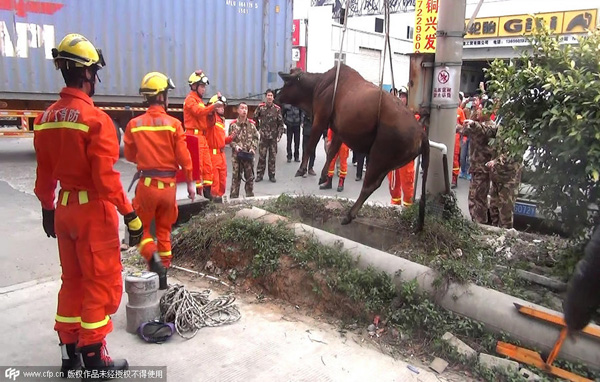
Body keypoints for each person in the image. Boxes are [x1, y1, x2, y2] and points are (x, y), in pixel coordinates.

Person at [33, 33, 142, 374]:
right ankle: (95, 359)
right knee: (100, 283)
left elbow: (44, 174)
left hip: (63, 209)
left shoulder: (46, 118)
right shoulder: (96, 120)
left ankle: (70, 354)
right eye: (94, 72)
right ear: (86, 74)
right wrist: (131, 215)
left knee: (73, 281)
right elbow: (107, 180)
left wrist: (47, 209)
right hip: (92, 212)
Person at [124, 71, 195, 290]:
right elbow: (185, 158)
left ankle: (151, 257)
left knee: (142, 231)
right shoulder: (174, 124)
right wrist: (191, 183)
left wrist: (146, 158)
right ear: (162, 96)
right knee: (164, 231)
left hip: (147, 186)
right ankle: (163, 271)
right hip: (169, 188)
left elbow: (128, 155)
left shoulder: (134, 124)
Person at [184, 70, 223, 199]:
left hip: (201, 137)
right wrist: (211, 108)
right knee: (197, 168)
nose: (204, 89)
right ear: (194, 86)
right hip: (193, 137)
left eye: (204, 86)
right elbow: (198, 112)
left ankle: (207, 194)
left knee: (207, 167)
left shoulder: (199, 101)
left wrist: (211, 114)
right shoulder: (190, 100)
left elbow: (207, 123)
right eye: (202, 86)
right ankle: (196, 196)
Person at [462, 100, 497, 224]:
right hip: (474, 167)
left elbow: (484, 130)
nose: (478, 110)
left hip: (483, 169)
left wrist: (473, 123)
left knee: (479, 199)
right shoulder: (476, 123)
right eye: (478, 108)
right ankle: (475, 222)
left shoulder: (491, 126)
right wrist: (472, 118)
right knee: (472, 198)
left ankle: (481, 224)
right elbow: (464, 130)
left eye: (481, 108)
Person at [486, 121, 522, 229]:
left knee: (506, 211)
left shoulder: (517, 132)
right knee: (493, 207)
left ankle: (505, 236)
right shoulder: (501, 127)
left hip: (509, 178)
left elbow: (512, 154)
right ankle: (495, 233)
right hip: (497, 175)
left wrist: (495, 161)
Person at [388, 86, 415, 206]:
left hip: (406, 155)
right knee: (393, 183)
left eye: (404, 96)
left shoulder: (413, 114)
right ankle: (395, 207)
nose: (401, 98)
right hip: (393, 154)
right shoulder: (393, 112)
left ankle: (407, 211)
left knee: (407, 185)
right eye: (401, 96)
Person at [206, 94, 235, 202]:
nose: (222, 108)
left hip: (221, 155)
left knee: (222, 181)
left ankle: (219, 201)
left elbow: (221, 140)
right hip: (213, 156)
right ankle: (214, 204)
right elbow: (208, 113)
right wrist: (214, 103)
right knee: (215, 182)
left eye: (223, 106)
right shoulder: (211, 119)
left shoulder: (220, 121)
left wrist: (230, 138)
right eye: (219, 106)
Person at [230, 103, 260, 198]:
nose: (244, 111)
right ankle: (233, 199)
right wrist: (236, 147)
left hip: (248, 155)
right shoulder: (233, 125)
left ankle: (250, 198)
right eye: (242, 108)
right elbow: (230, 140)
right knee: (236, 178)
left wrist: (253, 147)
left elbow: (256, 137)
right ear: (238, 111)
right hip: (237, 156)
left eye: (246, 109)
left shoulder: (251, 125)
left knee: (249, 178)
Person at [254, 89, 284, 182]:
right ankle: (259, 175)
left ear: (273, 97)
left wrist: (279, 135)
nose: (269, 97)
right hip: (263, 137)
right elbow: (254, 118)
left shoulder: (277, 109)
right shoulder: (261, 107)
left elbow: (281, 124)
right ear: (266, 97)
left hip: (273, 138)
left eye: (271, 95)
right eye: (268, 95)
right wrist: (258, 129)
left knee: (272, 157)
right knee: (262, 157)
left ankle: (272, 175)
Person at [453, 93, 467, 188]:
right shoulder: (446, 110)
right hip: (445, 137)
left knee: (454, 160)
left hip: (456, 139)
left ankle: (454, 179)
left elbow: (465, 125)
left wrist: (465, 138)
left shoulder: (460, 111)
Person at [301, 112, 317, 177]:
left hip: (314, 133)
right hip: (306, 132)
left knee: (313, 152)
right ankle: (304, 169)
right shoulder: (305, 109)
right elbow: (302, 115)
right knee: (305, 151)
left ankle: (310, 168)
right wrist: (302, 122)